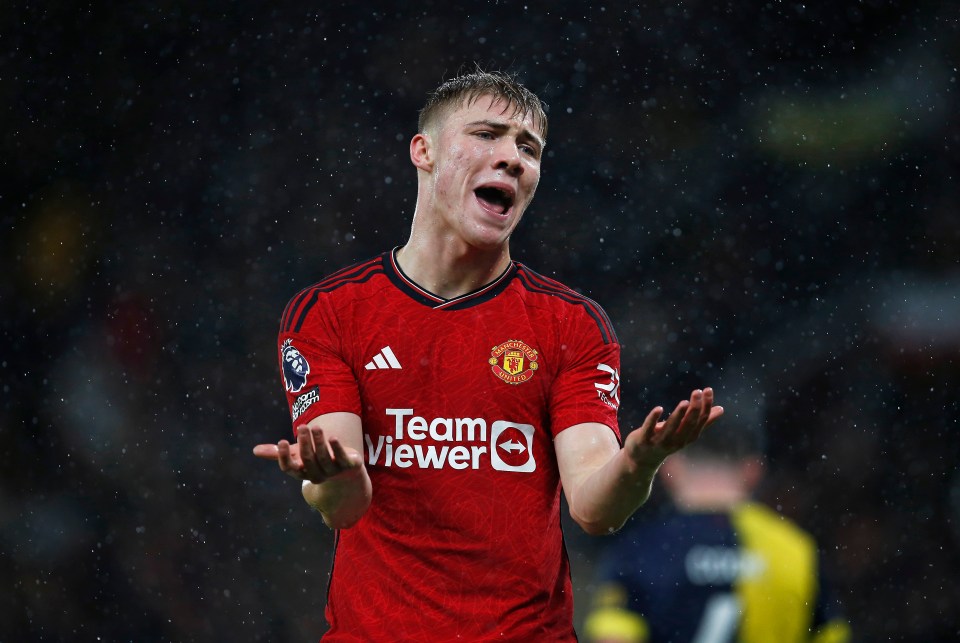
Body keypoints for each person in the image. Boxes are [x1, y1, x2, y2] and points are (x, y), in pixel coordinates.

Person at [253, 68, 723, 642]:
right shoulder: (330, 313)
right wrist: (331, 475)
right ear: (423, 151)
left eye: (529, 148)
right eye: (487, 135)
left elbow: (596, 508)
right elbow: (344, 503)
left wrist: (638, 461)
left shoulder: (570, 325)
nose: (512, 158)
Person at [583, 421, 851, 643]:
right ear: (753, 471)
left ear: (670, 469)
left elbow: (612, 638)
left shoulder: (641, 549)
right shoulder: (795, 549)